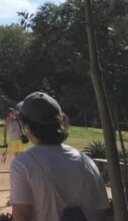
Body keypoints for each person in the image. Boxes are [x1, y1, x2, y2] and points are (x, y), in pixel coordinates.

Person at [9, 91, 109, 221]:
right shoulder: (88, 162)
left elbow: (21, 216)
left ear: (27, 126)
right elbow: (101, 214)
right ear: (61, 122)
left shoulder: (23, 164)